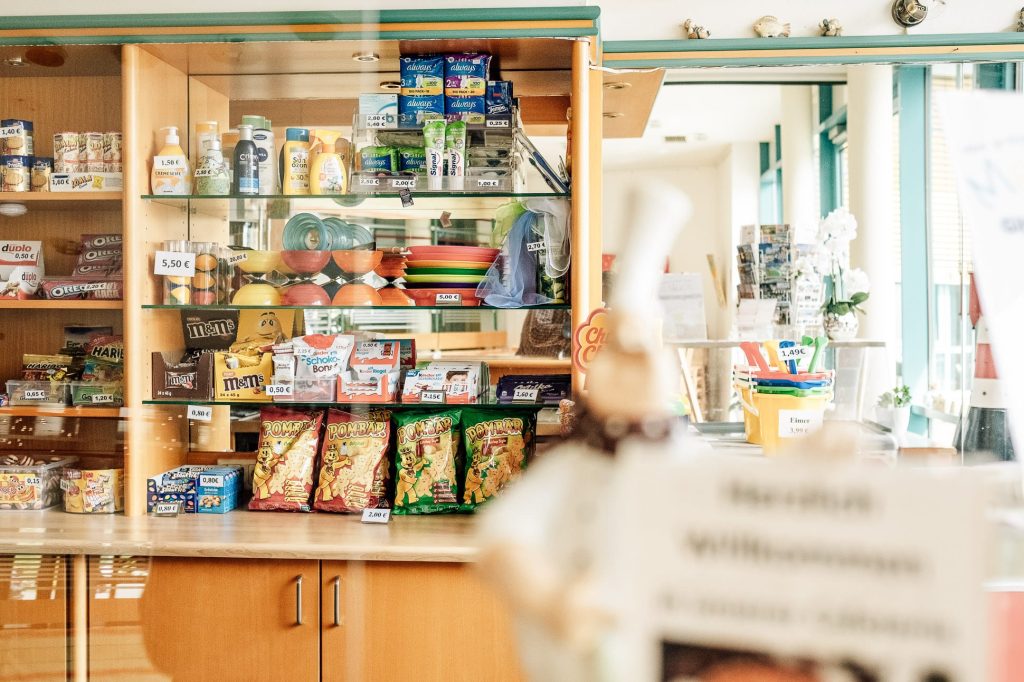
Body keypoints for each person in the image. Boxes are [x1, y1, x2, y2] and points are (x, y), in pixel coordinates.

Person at [475, 185, 692, 681]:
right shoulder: (570, 470)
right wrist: (551, 599)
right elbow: (500, 544)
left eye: (643, 359)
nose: (632, 373)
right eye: (620, 357)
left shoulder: (683, 463)